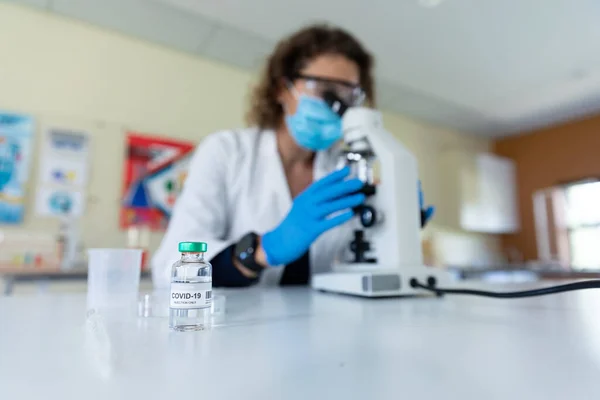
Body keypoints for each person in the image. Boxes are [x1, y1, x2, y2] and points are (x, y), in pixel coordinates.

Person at [152, 24, 434, 289]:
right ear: (281, 90)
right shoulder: (226, 152)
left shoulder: (346, 168)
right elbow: (171, 267)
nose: (337, 106)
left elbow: (356, 256)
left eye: (348, 95)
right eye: (324, 90)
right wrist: (262, 251)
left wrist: (396, 227)